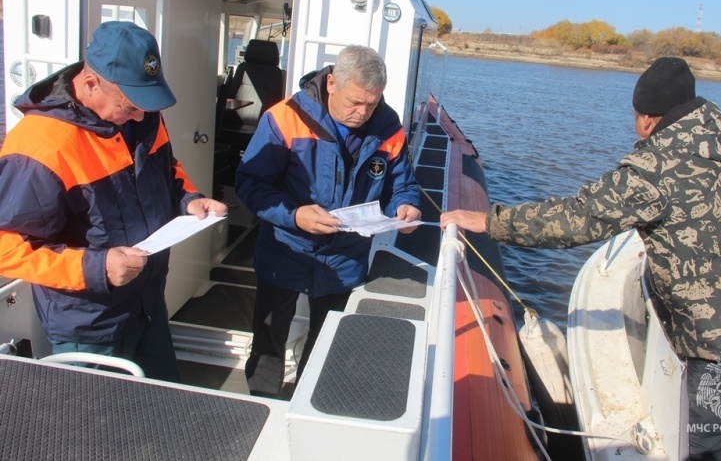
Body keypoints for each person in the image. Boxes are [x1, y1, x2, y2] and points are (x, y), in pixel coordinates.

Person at [440, 57, 721, 460]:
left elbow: (578, 218)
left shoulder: (658, 168)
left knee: (709, 442)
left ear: (647, 119)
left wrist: (490, 221)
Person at [0, 21, 227, 381]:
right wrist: (98, 267)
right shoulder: (40, 145)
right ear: (91, 84)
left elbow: (168, 170)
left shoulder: (143, 114)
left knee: (160, 408)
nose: (139, 114)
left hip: (148, 305)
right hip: (89, 327)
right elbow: (6, 249)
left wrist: (189, 200)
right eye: (129, 105)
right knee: (93, 431)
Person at [236, 44, 421, 398]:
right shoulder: (284, 118)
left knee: (328, 343)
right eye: (355, 102)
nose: (363, 112)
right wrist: (294, 215)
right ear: (332, 83)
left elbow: (403, 184)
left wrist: (406, 207)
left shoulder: (388, 126)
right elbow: (251, 183)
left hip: (346, 256)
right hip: (285, 250)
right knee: (268, 340)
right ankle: (262, 403)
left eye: (371, 103)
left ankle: (309, 403)